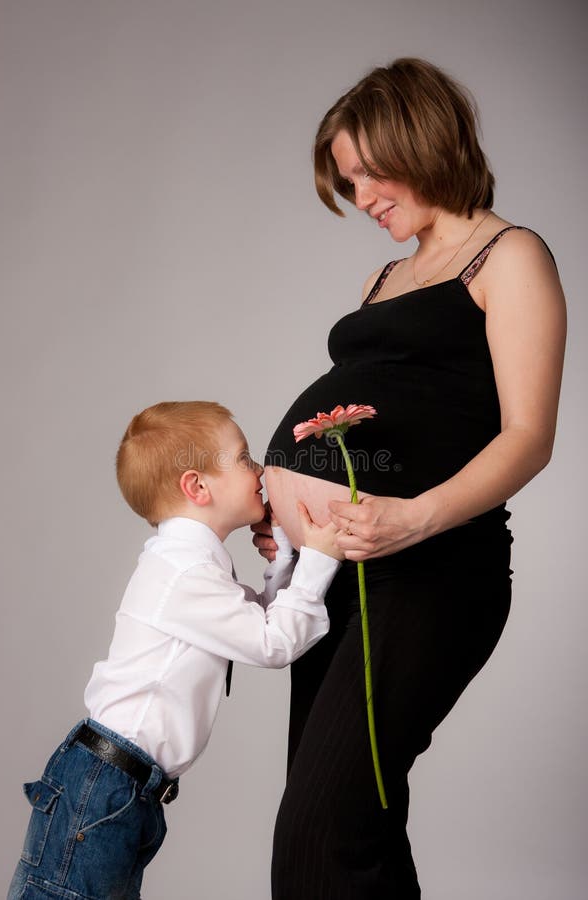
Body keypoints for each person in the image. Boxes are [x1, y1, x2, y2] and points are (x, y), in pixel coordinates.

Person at [253, 58, 567, 898]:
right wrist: (285, 503)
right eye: (348, 183)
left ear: (420, 141)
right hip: (340, 575)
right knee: (360, 830)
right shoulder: (384, 279)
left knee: (321, 836)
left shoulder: (510, 256)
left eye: (367, 173)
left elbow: (528, 437)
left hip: (432, 573)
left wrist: (414, 518)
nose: (361, 199)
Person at [8, 401, 343, 900]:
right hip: (103, 789)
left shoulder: (187, 563)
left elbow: (257, 621)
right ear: (198, 487)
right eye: (245, 457)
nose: (258, 471)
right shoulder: (184, 572)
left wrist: (288, 560)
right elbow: (273, 643)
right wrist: (321, 557)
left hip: (117, 787)